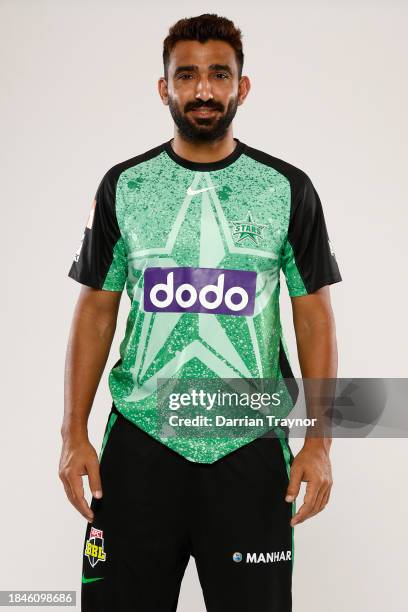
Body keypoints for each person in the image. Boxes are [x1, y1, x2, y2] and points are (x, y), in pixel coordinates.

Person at [59, 13, 342, 612]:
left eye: (220, 74)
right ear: (164, 88)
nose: (204, 89)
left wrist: (318, 439)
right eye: (186, 75)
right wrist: (72, 432)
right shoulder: (124, 186)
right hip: (139, 442)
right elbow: (94, 311)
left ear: (243, 86)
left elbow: (314, 315)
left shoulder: (288, 188)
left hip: (248, 445)